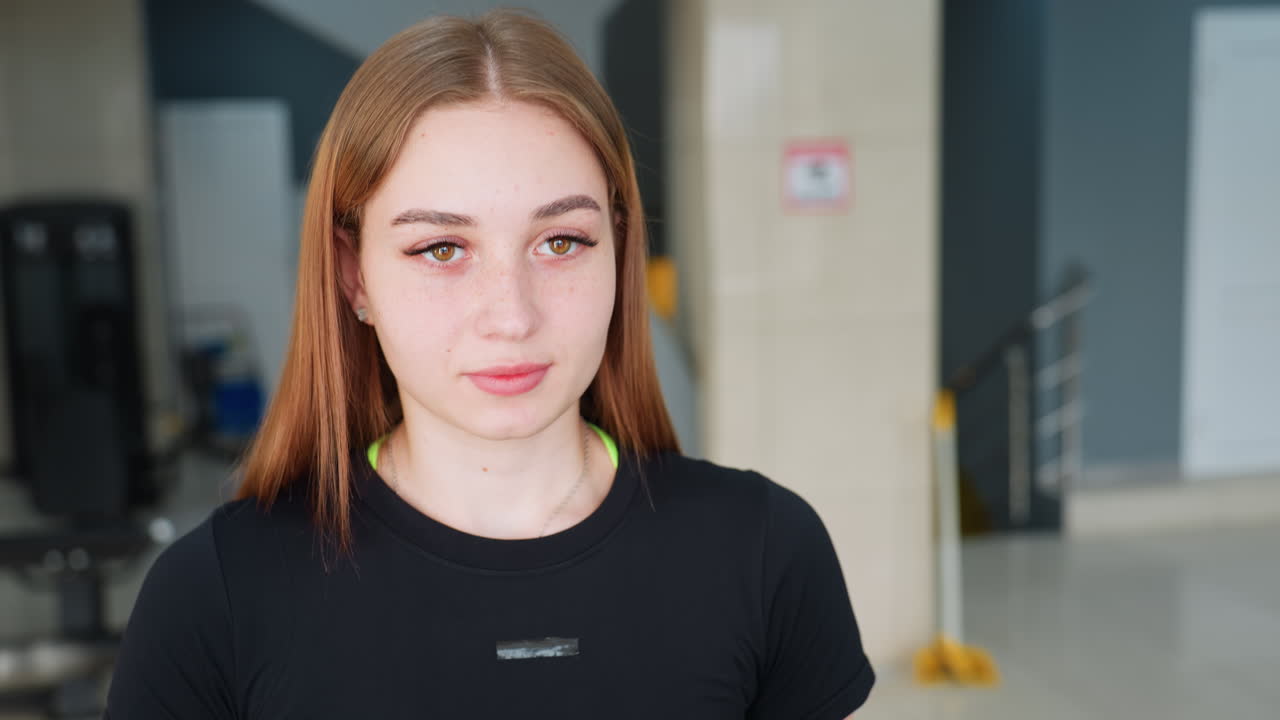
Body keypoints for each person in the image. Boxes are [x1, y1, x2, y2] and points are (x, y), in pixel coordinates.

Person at [105, 10, 874, 719]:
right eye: (442, 248)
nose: (511, 316)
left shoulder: (765, 552)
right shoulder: (216, 598)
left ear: (618, 249)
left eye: (561, 241)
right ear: (354, 275)